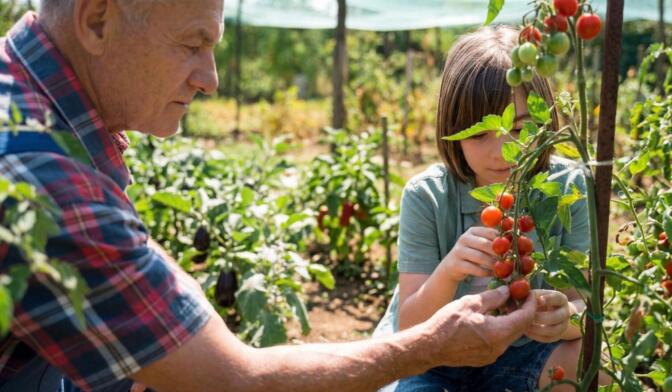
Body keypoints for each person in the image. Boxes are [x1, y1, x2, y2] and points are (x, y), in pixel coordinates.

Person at [0, 1, 537, 391]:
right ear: (98, 21)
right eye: (192, 44)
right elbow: (234, 381)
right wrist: (428, 346)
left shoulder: (33, 103)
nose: (210, 79)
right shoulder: (43, 177)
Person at [373, 26, 591, 392]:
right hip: (436, 360)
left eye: (520, 130)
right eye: (478, 133)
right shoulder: (426, 196)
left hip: (528, 354)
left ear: (546, 123)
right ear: (452, 130)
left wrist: (564, 317)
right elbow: (410, 326)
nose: (501, 151)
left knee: (589, 365)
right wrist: (449, 270)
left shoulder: (568, 188)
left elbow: (582, 306)